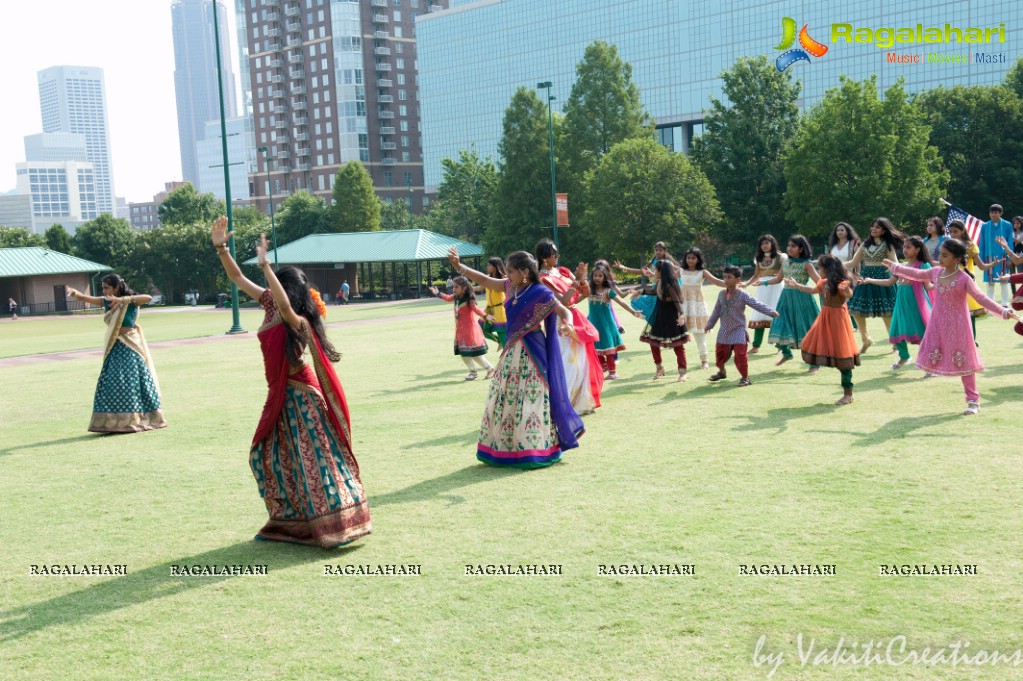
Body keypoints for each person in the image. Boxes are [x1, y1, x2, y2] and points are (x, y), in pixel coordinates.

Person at [210, 216, 371, 548]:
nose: (269, 290)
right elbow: (237, 277)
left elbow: (282, 302)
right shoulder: (269, 304)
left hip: (301, 396)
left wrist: (266, 265)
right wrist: (220, 248)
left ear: (286, 288)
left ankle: (338, 521)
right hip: (281, 396)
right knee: (276, 456)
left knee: (314, 457)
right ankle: (293, 521)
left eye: (274, 285)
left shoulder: (293, 318)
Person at [447, 247, 583, 468]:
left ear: (524, 272)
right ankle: (505, 450)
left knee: (532, 398)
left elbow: (563, 311)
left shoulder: (541, 292)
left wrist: (568, 325)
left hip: (533, 352)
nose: (506, 275)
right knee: (505, 397)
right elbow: (483, 279)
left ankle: (536, 450)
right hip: (512, 351)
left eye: (510, 271)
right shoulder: (509, 286)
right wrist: (459, 266)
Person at [883, 239, 1019, 415]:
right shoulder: (936, 272)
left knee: (966, 363)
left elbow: (981, 298)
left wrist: (1003, 311)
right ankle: (923, 368)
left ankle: (973, 401)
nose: (940, 258)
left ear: (956, 259)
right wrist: (896, 267)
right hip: (937, 324)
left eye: (945, 255)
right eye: (940, 254)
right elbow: (916, 273)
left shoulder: (964, 279)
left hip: (959, 326)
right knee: (931, 350)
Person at [66, 276, 167, 433]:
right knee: (111, 382)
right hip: (115, 346)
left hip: (131, 347)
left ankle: (139, 420)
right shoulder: (106, 302)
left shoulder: (131, 301)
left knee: (132, 382)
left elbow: (147, 298)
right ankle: (112, 423)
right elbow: (85, 297)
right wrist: (74, 294)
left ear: (116, 288)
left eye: (107, 288)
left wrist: (124, 300)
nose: (104, 291)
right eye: (103, 288)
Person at [535, 238, 603, 414]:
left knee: (581, 361)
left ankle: (581, 401)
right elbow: (562, 301)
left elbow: (584, 293)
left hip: (574, 318)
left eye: (557, 252)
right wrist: (576, 281)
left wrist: (582, 279)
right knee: (567, 361)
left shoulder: (563, 271)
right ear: (544, 257)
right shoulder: (542, 279)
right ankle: (565, 403)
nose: (557, 256)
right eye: (553, 253)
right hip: (558, 322)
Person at [786, 255, 861, 405]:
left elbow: (848, 294)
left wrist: (846, 290)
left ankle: (848, 393)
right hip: (825, 317)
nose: (819, 270)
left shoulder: (841, 283)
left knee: (842, 354)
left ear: (828, 269)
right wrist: (797, 285)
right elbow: (813, 289)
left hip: (838, 320)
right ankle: (817, 364)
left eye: (820, 267)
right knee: (809, 341)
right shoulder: (824, 282)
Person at [859, 236, 933, 371]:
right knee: (895, 331)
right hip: (901, 304)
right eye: (904, 247)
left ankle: (929, 363)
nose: (905, 250)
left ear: (917, 250)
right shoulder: (901, 266)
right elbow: (889, 282)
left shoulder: (923, 265)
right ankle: (904, 356)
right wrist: (870, 280)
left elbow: (928, 286)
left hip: (917, 304)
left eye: (908, 247)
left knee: (921, 332)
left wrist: (943, 285)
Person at [704, 265, 779, 387]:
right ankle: (722, 372)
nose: (726, 280)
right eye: (724, 277)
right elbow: (716, 311)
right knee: (720, 356)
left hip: (738, 330)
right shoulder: (721, 294)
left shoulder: (743, 295)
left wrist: (770, 311)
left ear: (738, 280)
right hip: (724, 331)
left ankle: (745, 378)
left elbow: (756, 304)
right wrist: (709, 324)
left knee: (740, 355)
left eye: (729, 277)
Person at [844, 217, 905, 353]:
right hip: (865, 280)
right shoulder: (865, 244)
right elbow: (853, 263)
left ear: (884, 231)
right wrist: (835, 264)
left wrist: (899, 272)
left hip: (883, 280)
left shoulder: (887, 245)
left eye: (877, 227)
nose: (873, 229)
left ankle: (895, 343)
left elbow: (894, 262)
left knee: (887, 314)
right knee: (856, 311)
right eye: (873, 226)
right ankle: (866, 339)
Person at [763, 235, 820, 369]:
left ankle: (814, 363)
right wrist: (763, 282)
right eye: (788, 246)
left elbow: (819, 282)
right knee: (779, 323)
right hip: (786, 298)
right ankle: (787, 353)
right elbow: (778, 279)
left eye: (793, 246)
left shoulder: (807, 264)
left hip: (802, 299)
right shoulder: (785, 262)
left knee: (804, 329)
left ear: (801, 249)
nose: (789, 248)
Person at [428, 276, 495, 381]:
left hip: (470, 330)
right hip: (460, 330)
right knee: (464, 353)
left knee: (473, 354)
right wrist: (437, 293)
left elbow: (476, 309)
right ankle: (475, 371)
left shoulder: (469, 299)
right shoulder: (455, 297)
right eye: (453, 287)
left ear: (464, 288)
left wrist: (486, 316)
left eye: (456, 287)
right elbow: (447, 297)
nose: (454, 289)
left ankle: (489, 369)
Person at [587, 263, 644, 380]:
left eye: (600, 276)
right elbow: (575, 299)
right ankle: (603, 367)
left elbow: (622, 302)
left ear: (604, 278)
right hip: (594, 324)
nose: (597, 278)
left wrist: (633, 312)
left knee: (608, 349)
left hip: (607, 325)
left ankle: (612, 372)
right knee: (596, 348)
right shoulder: (589, 291)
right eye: (595, 276)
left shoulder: (608, 291)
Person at [637, 259, 690, 381]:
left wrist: (681, 314)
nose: (654, 272)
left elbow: (677, 301)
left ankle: (682, 372)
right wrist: (640, 291)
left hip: (672, 318)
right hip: (660, 317)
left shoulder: (670, 285)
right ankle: (659, 367)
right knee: (653, 343)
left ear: (662, 272)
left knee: (678, 345)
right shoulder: (661, 283)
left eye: (656, 270)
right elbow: (653, 292)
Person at [678, 247, 725, 370]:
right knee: (678, 335)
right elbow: (668, 278)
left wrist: (732, 283)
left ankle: (704, 361)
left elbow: (717, 281)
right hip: (683, 306)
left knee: (700, 334)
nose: (690, 260)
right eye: (688, 258)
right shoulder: (681, 271)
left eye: (693, 258)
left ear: (698, 259)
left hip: (697, 306)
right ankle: (681, 363)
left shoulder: (702, 272)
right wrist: (654, 275)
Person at [745, 235, 786, 354]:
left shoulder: (780, 257)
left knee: (777, 315)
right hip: (762, 288)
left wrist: (779, 276)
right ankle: (756, 346)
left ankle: (780, 346)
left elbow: (786, 271)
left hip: (777, 287)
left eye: (767, 243)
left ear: (772, 243)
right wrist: (746, 284)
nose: (764, 245)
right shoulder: (758, 259)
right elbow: (756, 275)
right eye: (762, 244)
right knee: (760, 314)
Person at [978, 204, 1014, 306]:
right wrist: (981, 259)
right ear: (989, 213)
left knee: (1004, 280)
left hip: (1002, 256)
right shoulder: (985, 226)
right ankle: (990, 303)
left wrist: (1009, 257)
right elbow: (982, 243)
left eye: (996, 212)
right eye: (992, 213)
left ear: (1000, 213)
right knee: (990, 281)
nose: (993, 215)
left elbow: (1010, 241)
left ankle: (1005, 303)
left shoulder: (1007, 225)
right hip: (989, 256)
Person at [480, 257, 508, 349]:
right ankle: (499, 341)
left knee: (502, 334)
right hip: (489, 310)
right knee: (480, 328)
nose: (487, 267)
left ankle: (506, 351)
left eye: (489, 265)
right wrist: (468, 288)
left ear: (495, 267)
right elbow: (479, 288)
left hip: (500, 310)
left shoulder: (504, 279)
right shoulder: (487, 278)